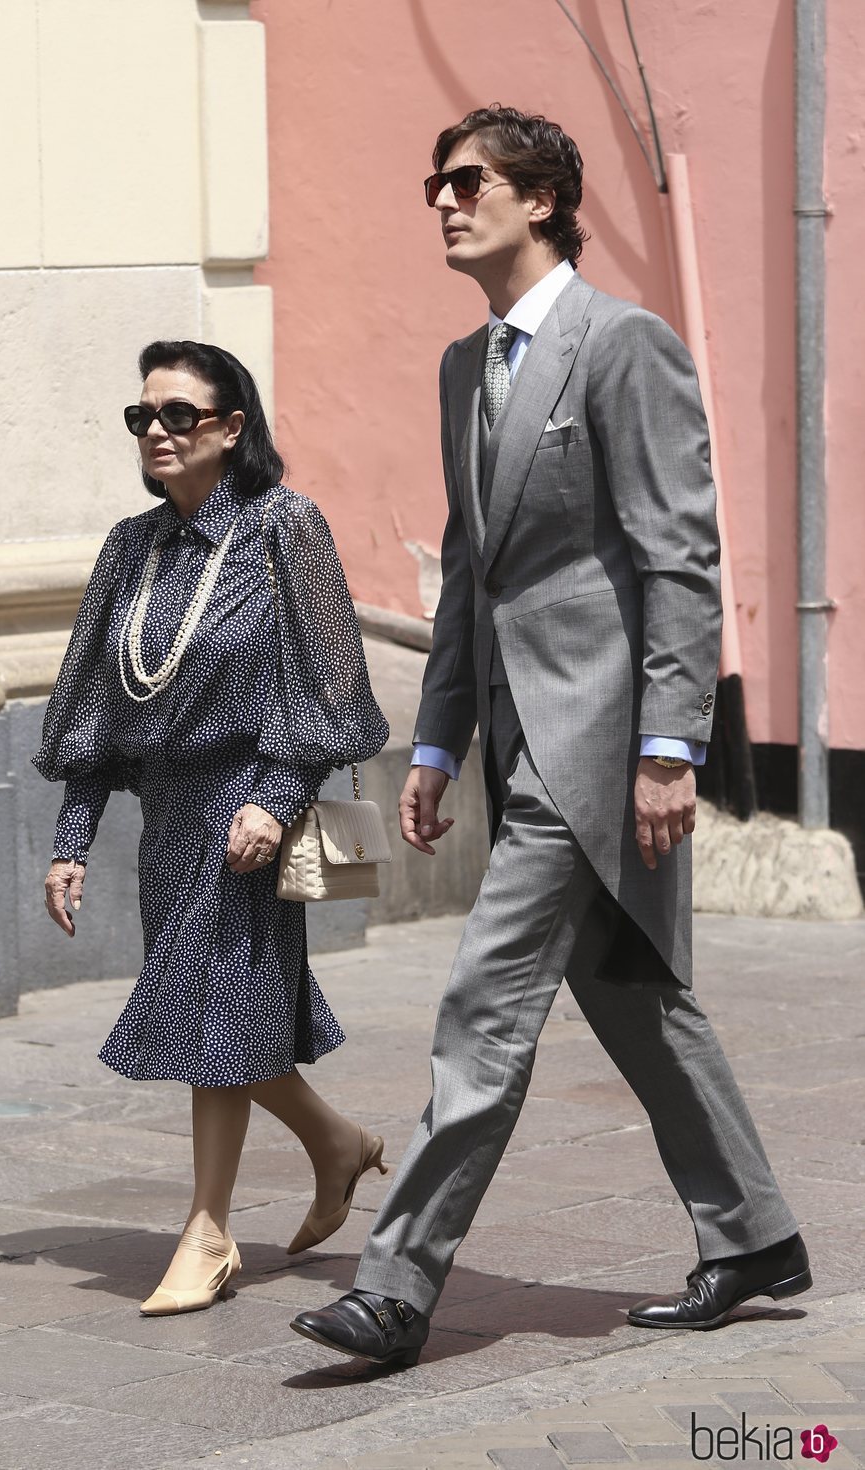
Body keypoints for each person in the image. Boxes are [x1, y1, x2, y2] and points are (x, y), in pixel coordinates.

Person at [291, 107, 809, 1368]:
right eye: (435, 181)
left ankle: (397, 1284)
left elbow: (676, 561)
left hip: (598, 742)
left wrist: (670, 749)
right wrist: (431, 744)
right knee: (630, 993)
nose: (443, 201)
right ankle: (749, 1238)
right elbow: (473, 575)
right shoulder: (465, 369)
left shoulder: (622, 346)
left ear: (540, 197)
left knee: (482, 1004)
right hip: (517, 740)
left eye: (466, 180)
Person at [35, 340, 389, 1316]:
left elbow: (329, 684)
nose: (155, 431)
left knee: (208, 1013)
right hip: (168, 817)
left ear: (231, 429)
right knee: (219, 1013)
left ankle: (208, 1233)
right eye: (141, 416)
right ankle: (336, 1143)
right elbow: (97, 705)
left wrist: (273, 798)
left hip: (247, 809)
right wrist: (72, 837)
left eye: (177, 415)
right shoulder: (129, 548)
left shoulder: (285, 529)